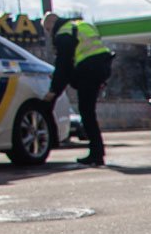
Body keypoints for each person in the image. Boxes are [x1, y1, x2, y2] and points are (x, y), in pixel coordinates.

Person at [42, 12, 114, 166]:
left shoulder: (63, 34)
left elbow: (63, 67)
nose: (49, 34)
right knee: (89, 112)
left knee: (86, 112)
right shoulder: (81, 25)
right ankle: (97, 152)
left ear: (51, 24)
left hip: (88, 70)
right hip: (102, 67)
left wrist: (53, 92)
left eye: (48, 30)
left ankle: (96, 154)